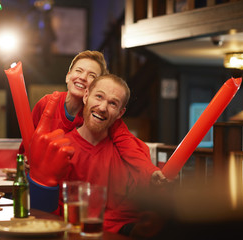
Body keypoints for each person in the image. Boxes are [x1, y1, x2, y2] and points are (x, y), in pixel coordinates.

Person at [28, 74, 167, 236]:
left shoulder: (136, 152)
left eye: (112, 103)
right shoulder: (60, 149)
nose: (102, 107)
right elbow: (47, 214)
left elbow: (142, 208)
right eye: (99, 97)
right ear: (86, 96)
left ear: (120, 113)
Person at [29, 50, 165, 184]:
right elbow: (28, 140)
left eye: (91, 75)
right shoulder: (47, 104)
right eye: (79, 71)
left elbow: (128, 144)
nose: (82, 77)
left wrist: (150, 171)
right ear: (68, 76)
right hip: (42, 177)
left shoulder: (98, 115)